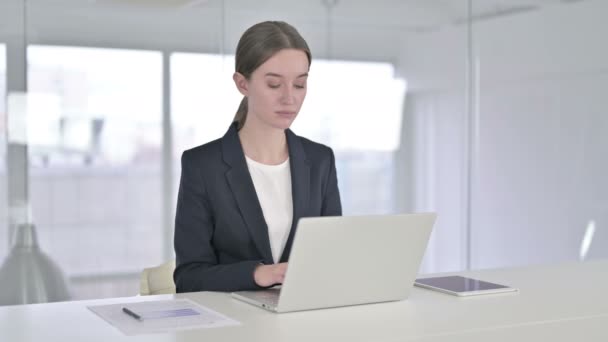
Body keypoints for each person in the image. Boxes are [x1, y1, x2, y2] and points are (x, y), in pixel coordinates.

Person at [173, 21, 342, 293]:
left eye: (299, 84)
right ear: (243, 84)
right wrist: (259, 273)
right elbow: (188, 278)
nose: (290, 98)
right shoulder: (202, 165)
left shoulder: (321, 160)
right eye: (274, 84)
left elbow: (331, 257)